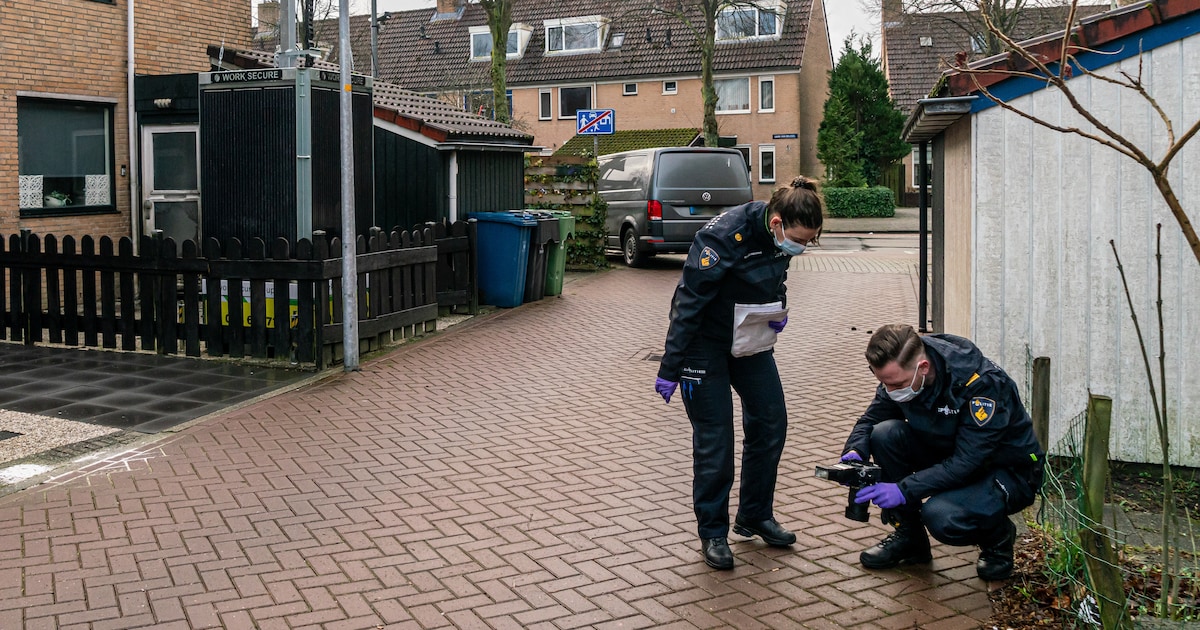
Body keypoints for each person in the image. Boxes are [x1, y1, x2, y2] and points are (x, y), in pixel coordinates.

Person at [654, 176, 824, 570]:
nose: (801, 247)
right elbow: (688, 303)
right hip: (704, 343)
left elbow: (776, 277)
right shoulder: (724, 237)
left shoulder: (783, 237)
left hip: (748, 338)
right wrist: (670, 365)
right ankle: (713, 532)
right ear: (777, 221)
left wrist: (777, 309)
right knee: (716, 440)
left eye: (810, 240)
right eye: (799, 238)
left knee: (771, 422)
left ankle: (755, 515)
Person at [842, 324, 1045, 581]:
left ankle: (998, 539)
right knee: (883, 435)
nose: (890, 391)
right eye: (884, 383)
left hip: (1006, 471)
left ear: (923, 368)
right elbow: (870, 420)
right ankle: (910, 539)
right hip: (951, 455)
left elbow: (968, 462)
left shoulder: (981, 385)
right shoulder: (903, 375)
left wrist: (903, 490)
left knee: (942, 517)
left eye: (897, 384)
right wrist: (854, 451)